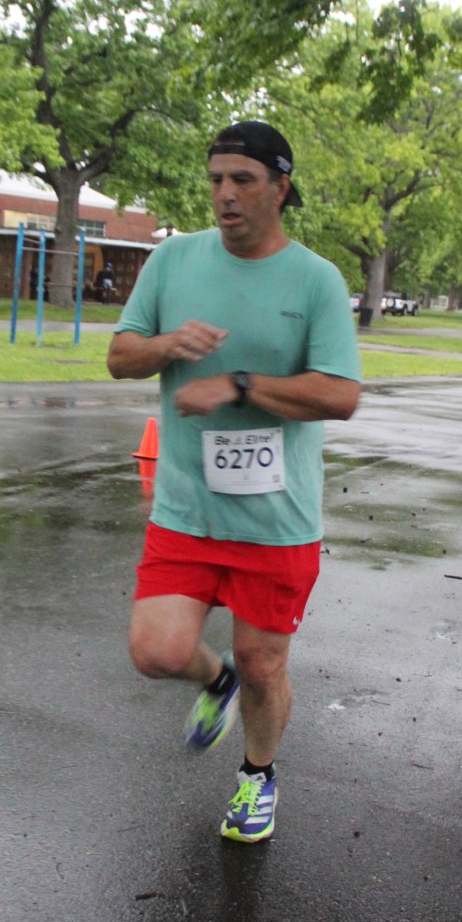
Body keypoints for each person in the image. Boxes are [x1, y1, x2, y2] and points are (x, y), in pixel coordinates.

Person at [107, 119, 362, 843]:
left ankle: (257, 775)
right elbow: (120, 357)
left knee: (263, 662)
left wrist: (240, 384)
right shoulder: (172, 261)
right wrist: (166, 345)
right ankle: (211, 679)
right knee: (156, 652)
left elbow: (341, 395)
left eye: (243, 180)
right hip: (187, 510)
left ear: (279, 188)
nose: (225, 194)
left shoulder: (315, 280)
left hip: (276, 520)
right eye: (217, 179)